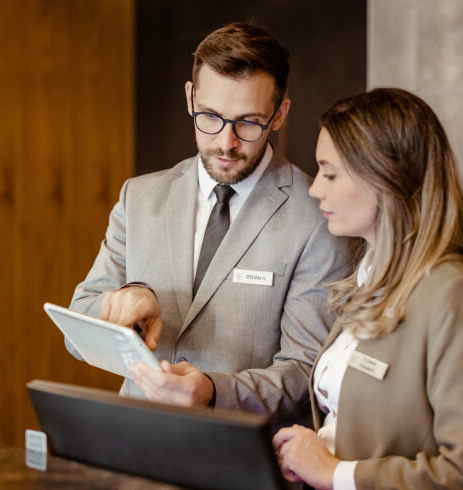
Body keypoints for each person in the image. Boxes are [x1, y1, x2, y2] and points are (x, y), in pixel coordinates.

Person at [65, 22, 354, 422]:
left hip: (240, 460)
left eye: (249, 121)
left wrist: (215, 391)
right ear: (190, 97)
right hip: (135, 447)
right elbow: (76, 331)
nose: (226, 142)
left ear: (280, 113)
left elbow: (307, 372)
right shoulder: (140, 197)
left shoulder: (318, 216)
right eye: (210, 117)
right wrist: (126, 303)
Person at [272, 88, 463, 489]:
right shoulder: (368, 279)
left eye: (330, 173)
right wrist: (314, 447)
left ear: (385, 177)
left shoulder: (454, 296)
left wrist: (335, 474)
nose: (315, 189)